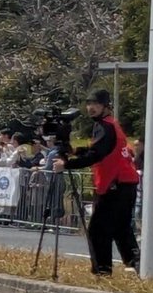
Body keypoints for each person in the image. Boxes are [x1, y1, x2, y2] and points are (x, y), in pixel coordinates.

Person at [52, 89, 141, 275]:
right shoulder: (111, 125)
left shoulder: (104, 126)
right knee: (121, 228)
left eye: (96, 104)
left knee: (98, 230)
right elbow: (101, 149)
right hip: (125, 182)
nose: (91, 108)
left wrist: (66, 164)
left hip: (115, 184)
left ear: (106, 107)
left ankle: (103, 271)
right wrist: (76, 151)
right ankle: (137, 265)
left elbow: (96, 154)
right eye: (89, 104)